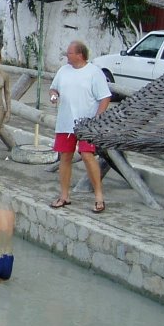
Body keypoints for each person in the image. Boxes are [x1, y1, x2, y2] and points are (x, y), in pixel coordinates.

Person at [49, 40, 111, 213]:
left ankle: (99, 196)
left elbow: (105, 97)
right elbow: (54, 88)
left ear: (79, 55)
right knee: (65, 157)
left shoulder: (94, 73)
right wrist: (53, 95)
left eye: (69, 53)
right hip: (65, 122)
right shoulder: (63, 70)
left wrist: (97, 118)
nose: (66, 55)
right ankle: (64, 195)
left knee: (87, 155)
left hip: (86, 123)